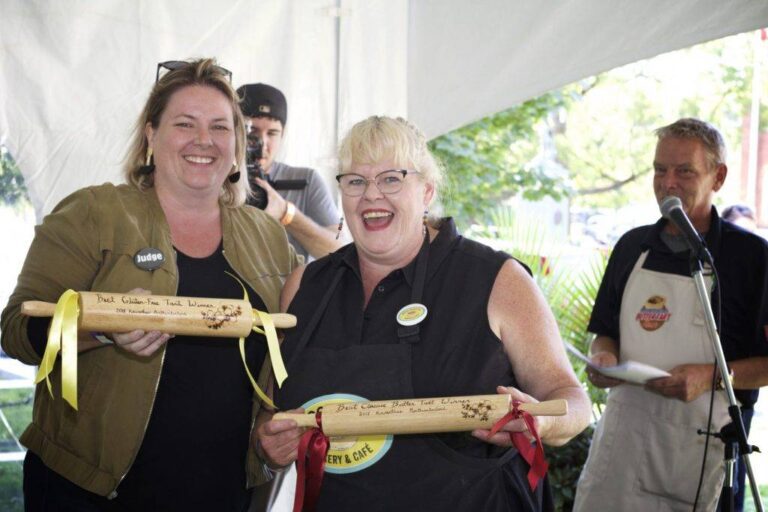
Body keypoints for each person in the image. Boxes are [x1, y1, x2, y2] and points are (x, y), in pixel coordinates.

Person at [0, 58, 300, 511]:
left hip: (223, 492)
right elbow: (18, 330)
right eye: (185, 124)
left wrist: (274, 425)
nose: (204, 140)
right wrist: (102, 327)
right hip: (90, 491)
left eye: (220, 128)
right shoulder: (92, 213)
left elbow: (298, 346)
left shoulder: (269, 237)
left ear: (238, 144)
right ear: (150, 135)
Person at [255, 115, 591, 511]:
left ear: (427, 190)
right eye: (356, 181)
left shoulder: (496, 280)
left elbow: (573, 401)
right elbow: (271, 412)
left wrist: (542, 421)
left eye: (392, 179)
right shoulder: (305, 287)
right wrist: (268, 442)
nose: (371, 195)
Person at [574, 118, 768, 511]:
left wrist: (712, 377)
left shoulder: (752, 257)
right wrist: (604, 358)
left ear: (719, 177)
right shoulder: (632, 247)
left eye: (684, 171)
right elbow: (604, 332)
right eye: (660, 170)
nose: (668, 183)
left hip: (701, 447)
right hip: (624, 441)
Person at [236, 82, 344, 261]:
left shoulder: (306, 181)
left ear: (283, 134)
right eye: (252, 131)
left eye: (272, 133)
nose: (262, 143)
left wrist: (287, 213)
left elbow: (339, 247)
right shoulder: (217, 179)